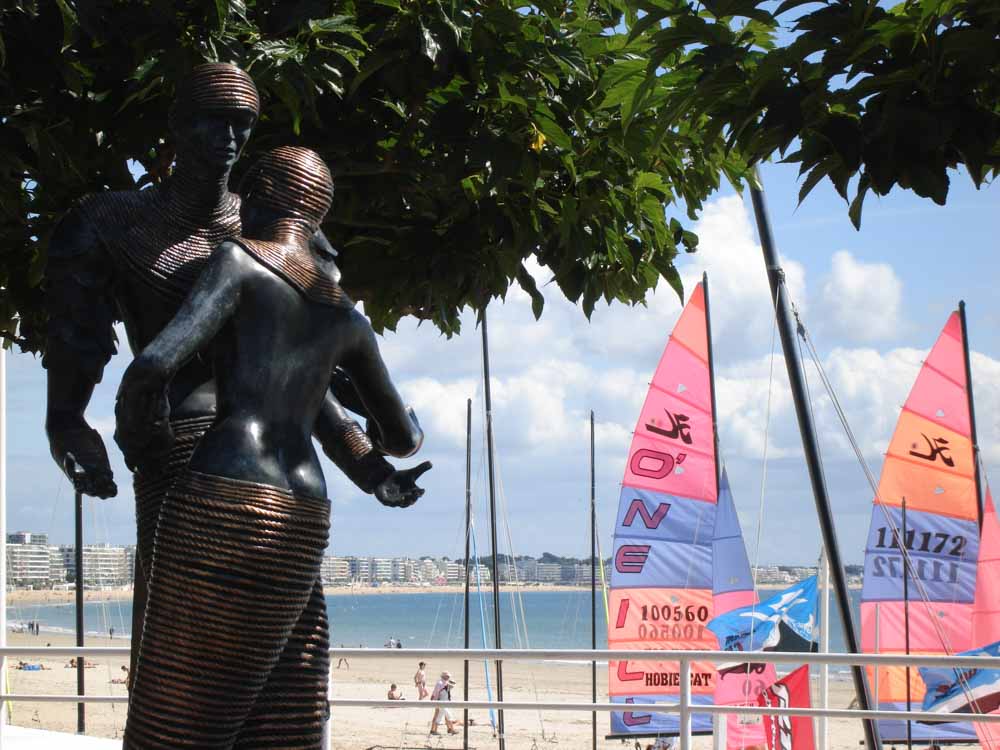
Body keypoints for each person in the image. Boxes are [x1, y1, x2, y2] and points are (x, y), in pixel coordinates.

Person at [43, 61, 430, 696]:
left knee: (290, 685)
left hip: (277, 475)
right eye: (212, 120)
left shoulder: (275, 228)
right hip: (176, 449)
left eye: (242, 124)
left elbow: (303, 377)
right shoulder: (111, 221)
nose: (228, 139)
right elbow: (77, 345)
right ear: (177, 123)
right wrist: (68, 426)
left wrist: (368, 466)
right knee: (183, 677)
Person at [116, 146, 430, 748]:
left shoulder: (237, 261)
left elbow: (154, 364)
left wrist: (137, 433)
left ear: (256, 196)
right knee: (284, 710)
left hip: (226, 492)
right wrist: (383, 466)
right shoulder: (347, 319)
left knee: (175, 713)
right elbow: (399, 439)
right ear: (316, 217)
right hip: (304, 511)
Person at [430, 671, 458, 735]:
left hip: (443, 703)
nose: (448, 677)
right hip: (440, 702)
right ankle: (451, 729)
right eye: (447, 676)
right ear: (443, 676)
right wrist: (435, 700)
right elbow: (436, 692)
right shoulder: (440, 683)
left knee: (441, 716)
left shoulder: (445, 683)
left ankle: (447, 729)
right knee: (446, 716)